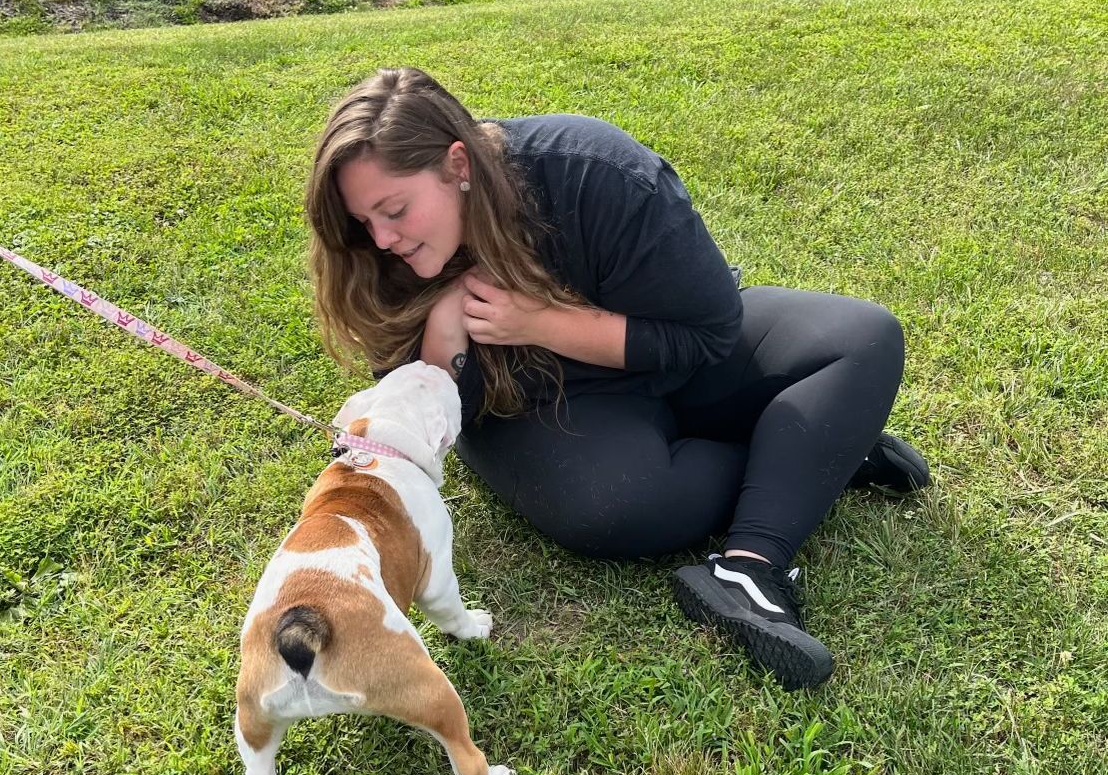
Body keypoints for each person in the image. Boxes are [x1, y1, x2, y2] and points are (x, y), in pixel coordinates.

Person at [305, 67, 929, 691]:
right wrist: (444, 342)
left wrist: (543, 322)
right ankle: (809, 450)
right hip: (545, 406)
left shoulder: (593, 173)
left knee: (861, 339)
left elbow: (709, 332)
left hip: (668, 358)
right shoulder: (382, 258)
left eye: (394, 210)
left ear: (458, 165)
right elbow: (432, 420)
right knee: (614, 509)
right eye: (366, 221)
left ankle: (748, 568)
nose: (382, 239)